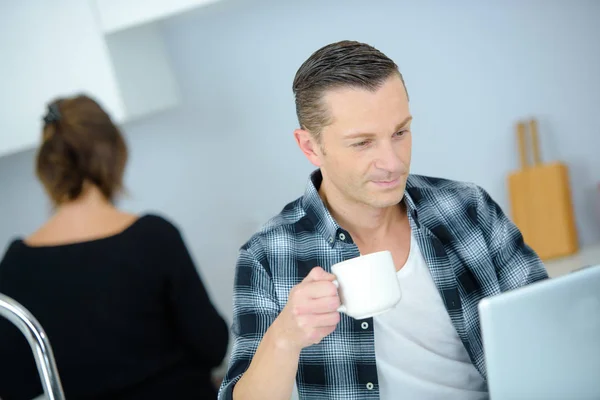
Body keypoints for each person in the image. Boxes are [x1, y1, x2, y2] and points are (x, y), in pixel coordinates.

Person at [218, 40, 548, 400]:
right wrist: (284, 338)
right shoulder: (267, 256)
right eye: (362, 143)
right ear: (310, 147)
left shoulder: (469, 208)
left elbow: (548, 325)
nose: (392, 162)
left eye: (400, 133)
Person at [0, 94, 229, 400]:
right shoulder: (154, 237)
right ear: (115, 152)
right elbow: (212, 346)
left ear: (49, 163)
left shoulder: (16, 263)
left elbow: (14, 383)